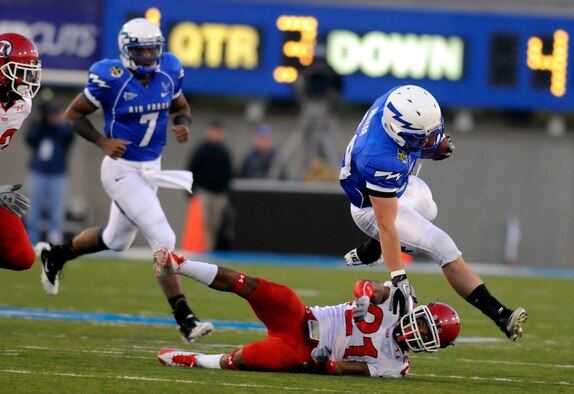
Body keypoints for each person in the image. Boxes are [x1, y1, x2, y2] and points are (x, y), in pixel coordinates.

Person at [34, 18, 213, 343]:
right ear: (126, 50)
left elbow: (181, 106)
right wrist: (102, 142)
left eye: (152, 50)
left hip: (151, 169)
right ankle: (185, 318)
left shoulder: (168, 70)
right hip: (121, 169)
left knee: (117, 240)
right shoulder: (110, 77)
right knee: (164, 237)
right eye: (140, 50)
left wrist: (182, 122)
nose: (147, 56)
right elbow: (73, 115)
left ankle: (55, 255)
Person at [339, 84, 527, 341]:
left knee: (428, 205)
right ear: (397, 132)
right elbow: (386, 225)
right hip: (371, 208)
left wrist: (432, 144)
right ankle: (501, 315)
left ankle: (371, 250)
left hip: (397, 188)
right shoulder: (378, 157)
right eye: (423, 137)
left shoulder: (396, 103)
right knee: (443, 246)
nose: (430, 141)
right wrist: (398, 276)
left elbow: (419, 139)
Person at [153, 248, 461, 377]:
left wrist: (324, 363)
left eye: (426, 336)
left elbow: (346, 369)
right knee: (259, 287)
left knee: (246, 359)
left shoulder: (398, 365)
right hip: (304, 317)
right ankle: (180, 264)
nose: (416, 332)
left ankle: (193, 360)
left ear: (433, 347)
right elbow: (365, 285)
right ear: (419, 312)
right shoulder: (398, 300)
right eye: (422, 324)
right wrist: (365, 297)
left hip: (302, 349)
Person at [0, 32, 42, 271]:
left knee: (21, 257)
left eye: (31, 71)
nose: (28, 79)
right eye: (21, 71)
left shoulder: (21, 105)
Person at [25, 100, 74, 245]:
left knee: (57, 211)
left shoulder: (62, 129)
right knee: (33, 210)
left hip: (57, 174)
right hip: (38, 172)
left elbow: (68, 137)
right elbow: (30, 139)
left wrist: (58, 122)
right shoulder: (40, 127)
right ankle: (30, 241)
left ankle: (55, 242)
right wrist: (39, 122)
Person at [187, 119, 234, 251]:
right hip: (204, 193)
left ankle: (211, 249)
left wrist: (226, 192)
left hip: (219, 194)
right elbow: (192, 170)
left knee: (216, 224)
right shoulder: (201, 151)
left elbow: (229, 174)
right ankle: (203, 250)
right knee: (203, 223)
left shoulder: (224, 152)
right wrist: (191, 192)